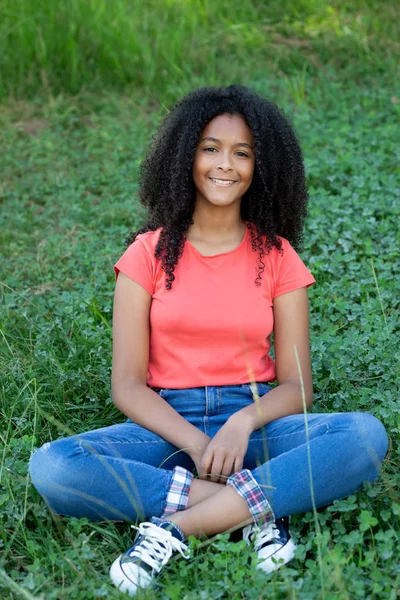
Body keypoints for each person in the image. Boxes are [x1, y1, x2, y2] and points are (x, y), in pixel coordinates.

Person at [29, 85, 388, 597]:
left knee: (365, 437)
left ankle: (177, 527)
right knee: (53, 467)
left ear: (261, 167)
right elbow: (128, 385)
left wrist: (241, 423)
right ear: (186, 157)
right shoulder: (146, 255)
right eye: (211, 148)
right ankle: (253, 509)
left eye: (243, 153)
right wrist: (198, 443)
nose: (226, 164)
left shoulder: (278, 257)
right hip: (167, 428)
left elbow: (297, 386)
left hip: (257, 426)